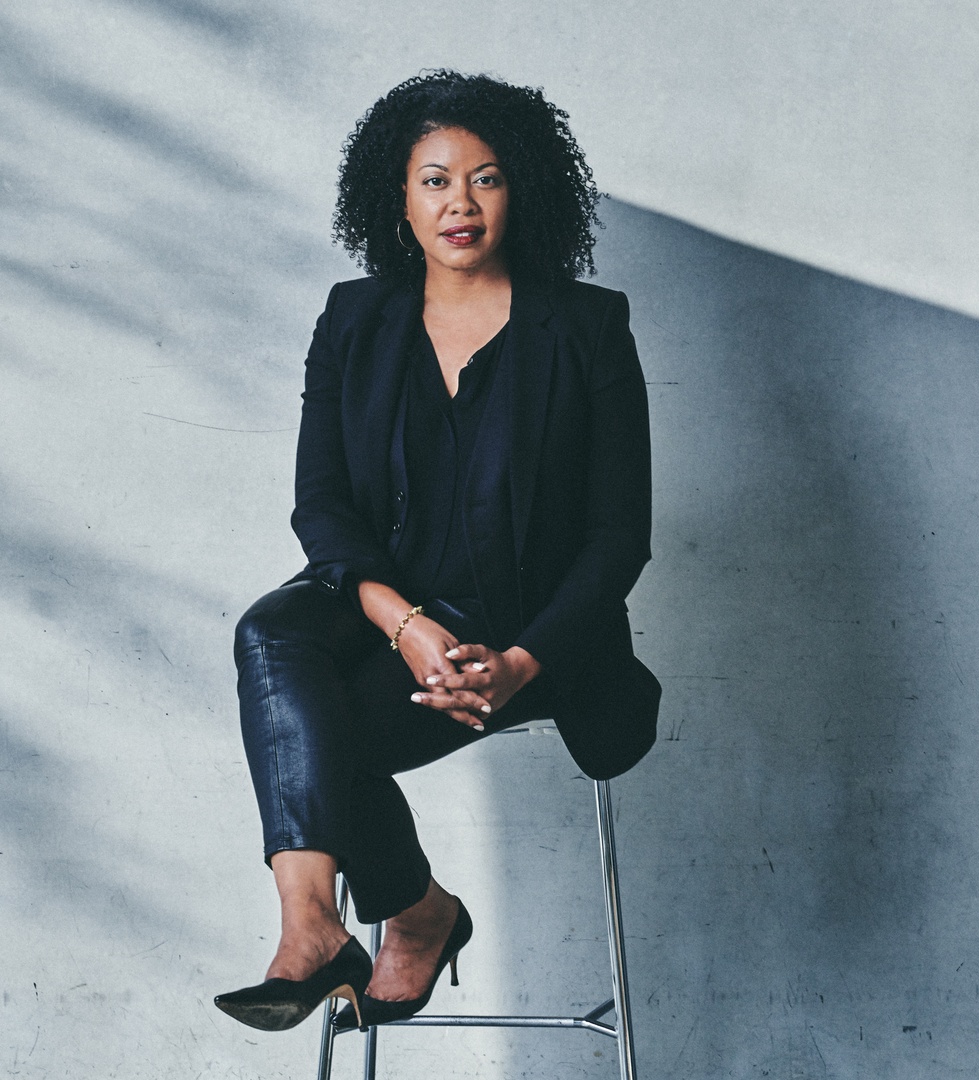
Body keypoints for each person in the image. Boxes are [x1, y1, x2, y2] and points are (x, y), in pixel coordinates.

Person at [214, 70, 660, 1035]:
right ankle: (314, 923)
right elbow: (322, 504)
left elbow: (620, 535)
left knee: (324, 734)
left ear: (523, 190)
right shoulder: (354, 319)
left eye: (486, 178)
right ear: (398, 199)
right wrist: (403, 623)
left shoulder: (587, 329)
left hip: (533, 629)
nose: (460, 203)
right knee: (271, 634)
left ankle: (414, 914)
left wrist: (522, 663)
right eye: (434, 181)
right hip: (390, 608)